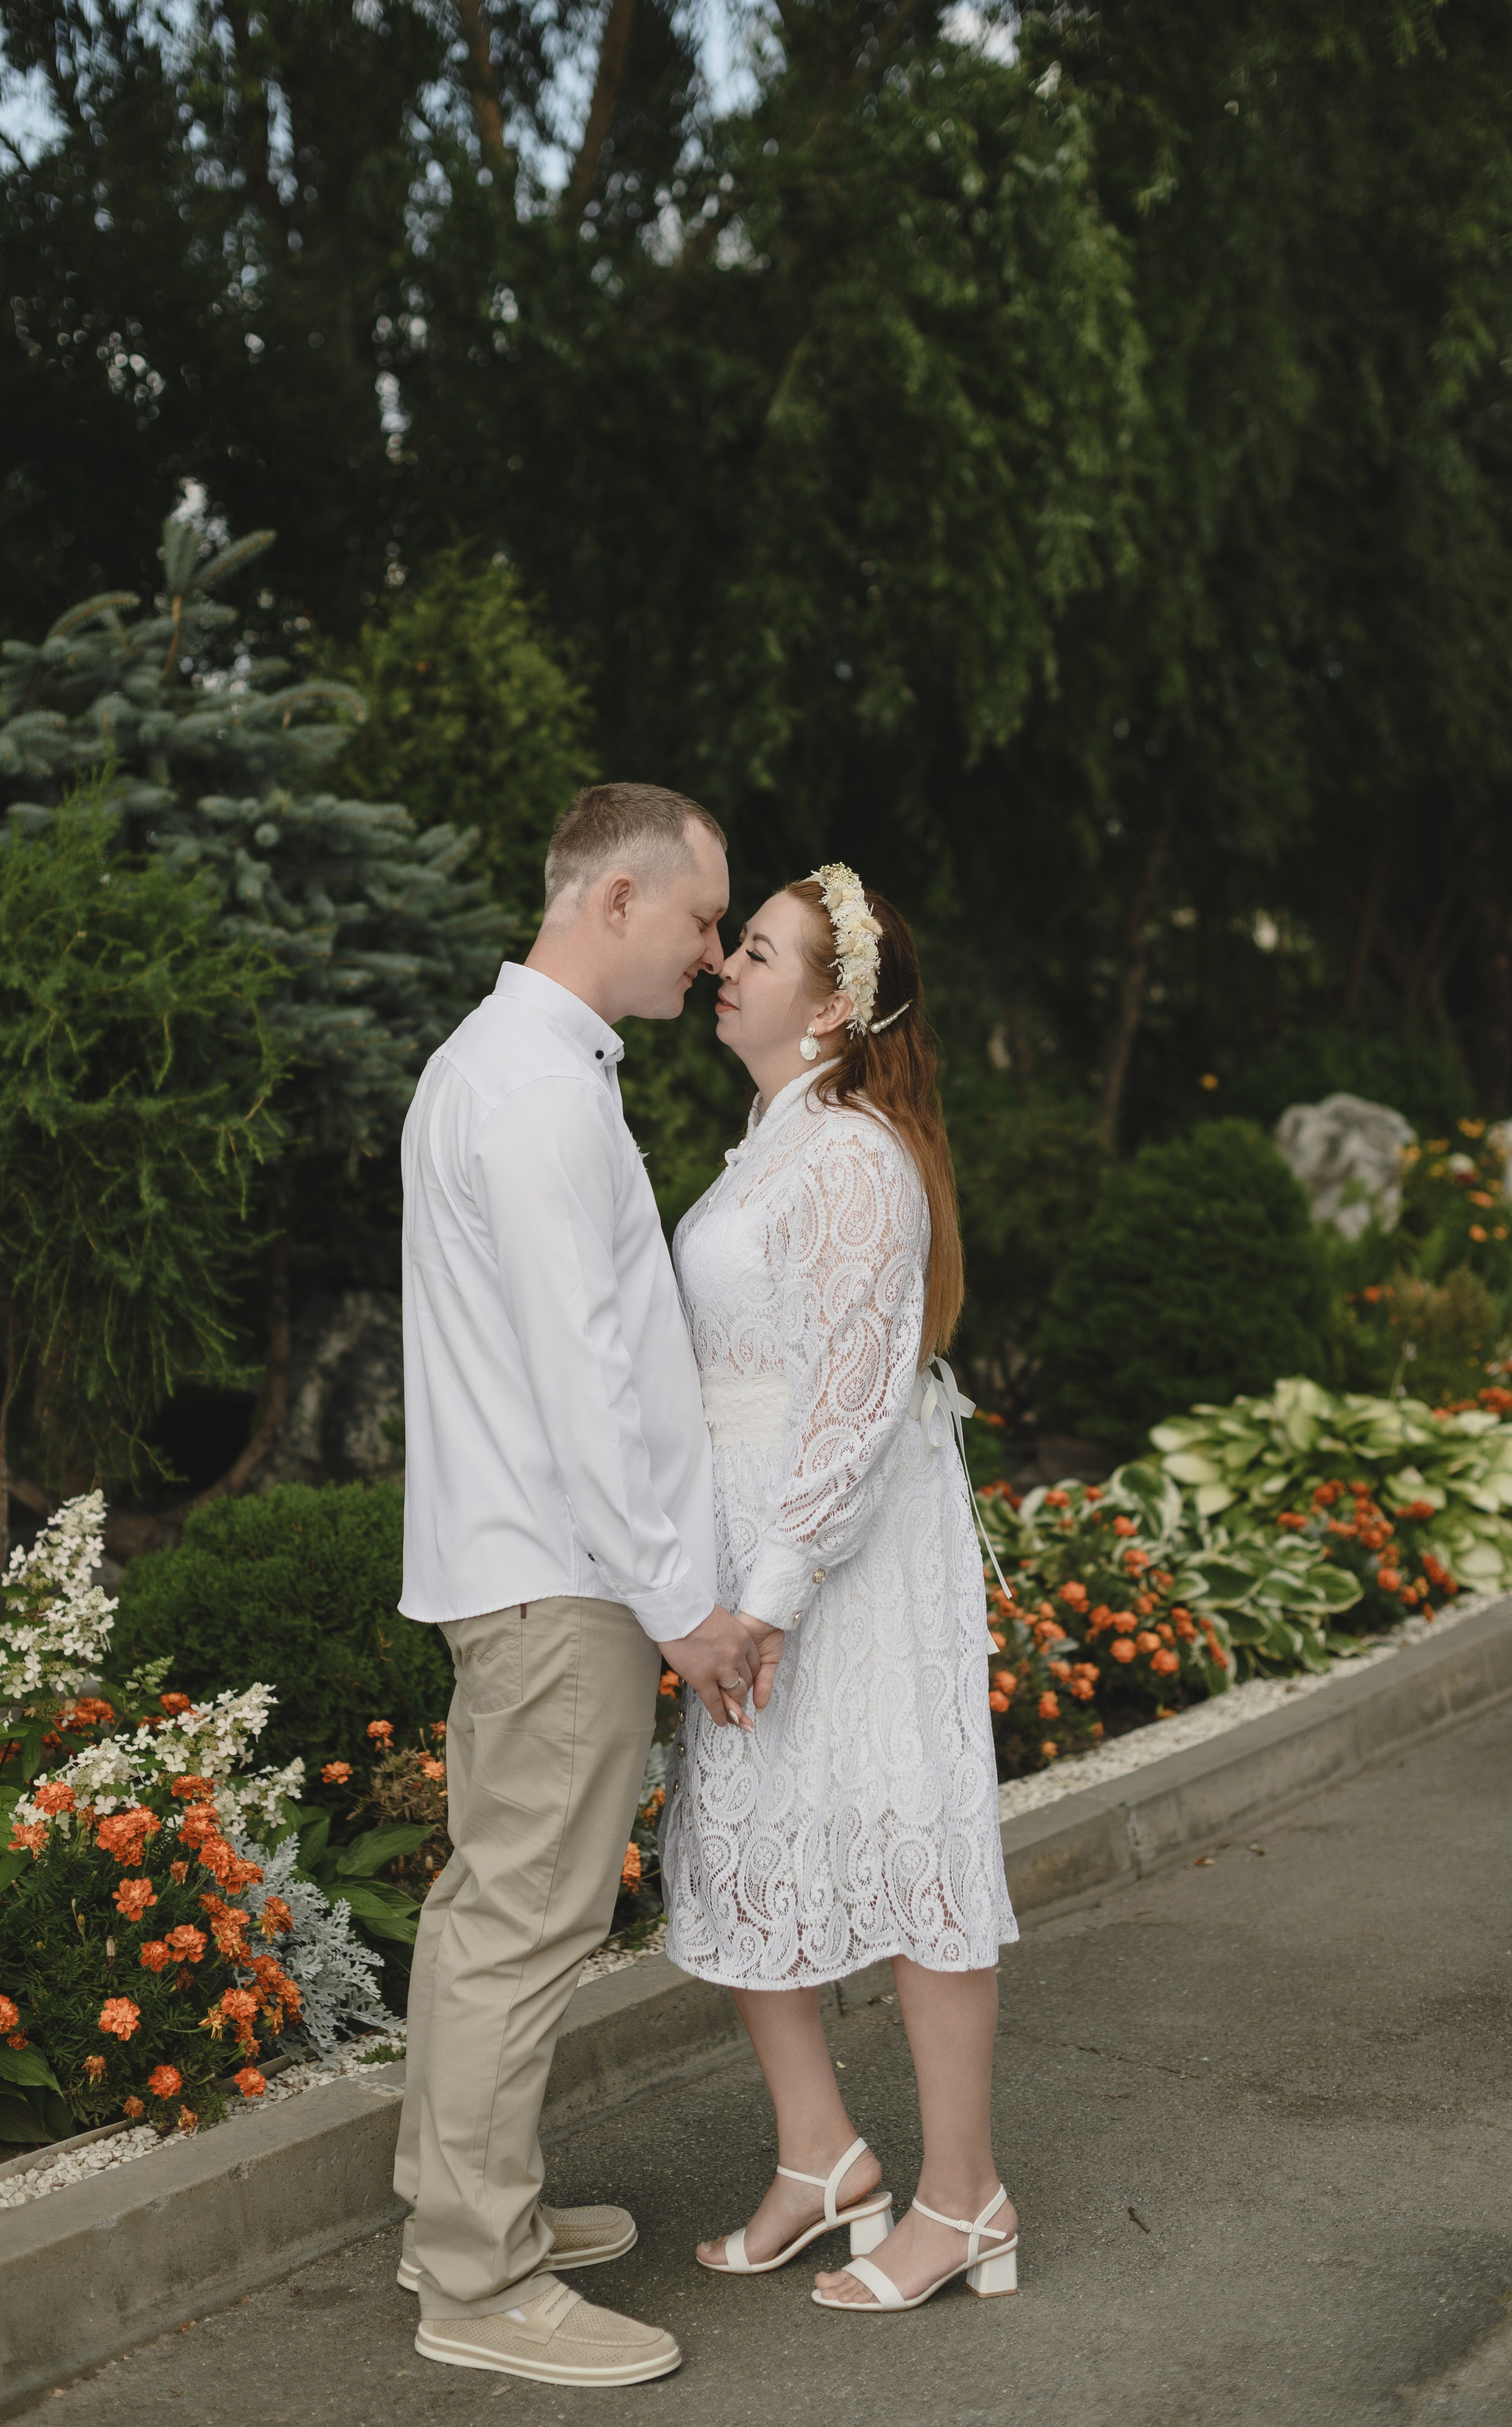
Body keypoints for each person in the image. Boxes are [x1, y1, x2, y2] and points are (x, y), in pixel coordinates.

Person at [394, 782, 773, 2387]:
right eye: (702, 918)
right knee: (521, 1922)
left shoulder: (499, 1066)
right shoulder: (539, 1094)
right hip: (563, 1577)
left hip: (528, 1565)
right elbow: (589, 1382)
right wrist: (680, 1601)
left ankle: (461, 2213)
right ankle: (478, 2288)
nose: (710, 952)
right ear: (613, 901)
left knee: (487, 1905)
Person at [658, 863, 1021, 2314]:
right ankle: (819, 2156)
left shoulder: (854, 1156)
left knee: (906, 1836)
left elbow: (859, 1402)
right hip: (745, 1553)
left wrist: (773, 1591)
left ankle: (964, 2194)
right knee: (755, 1834)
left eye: (755, 950)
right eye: (733, 943)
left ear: (829, 1008)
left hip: (842, 1562)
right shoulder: (765, 1144)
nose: (724, 965)